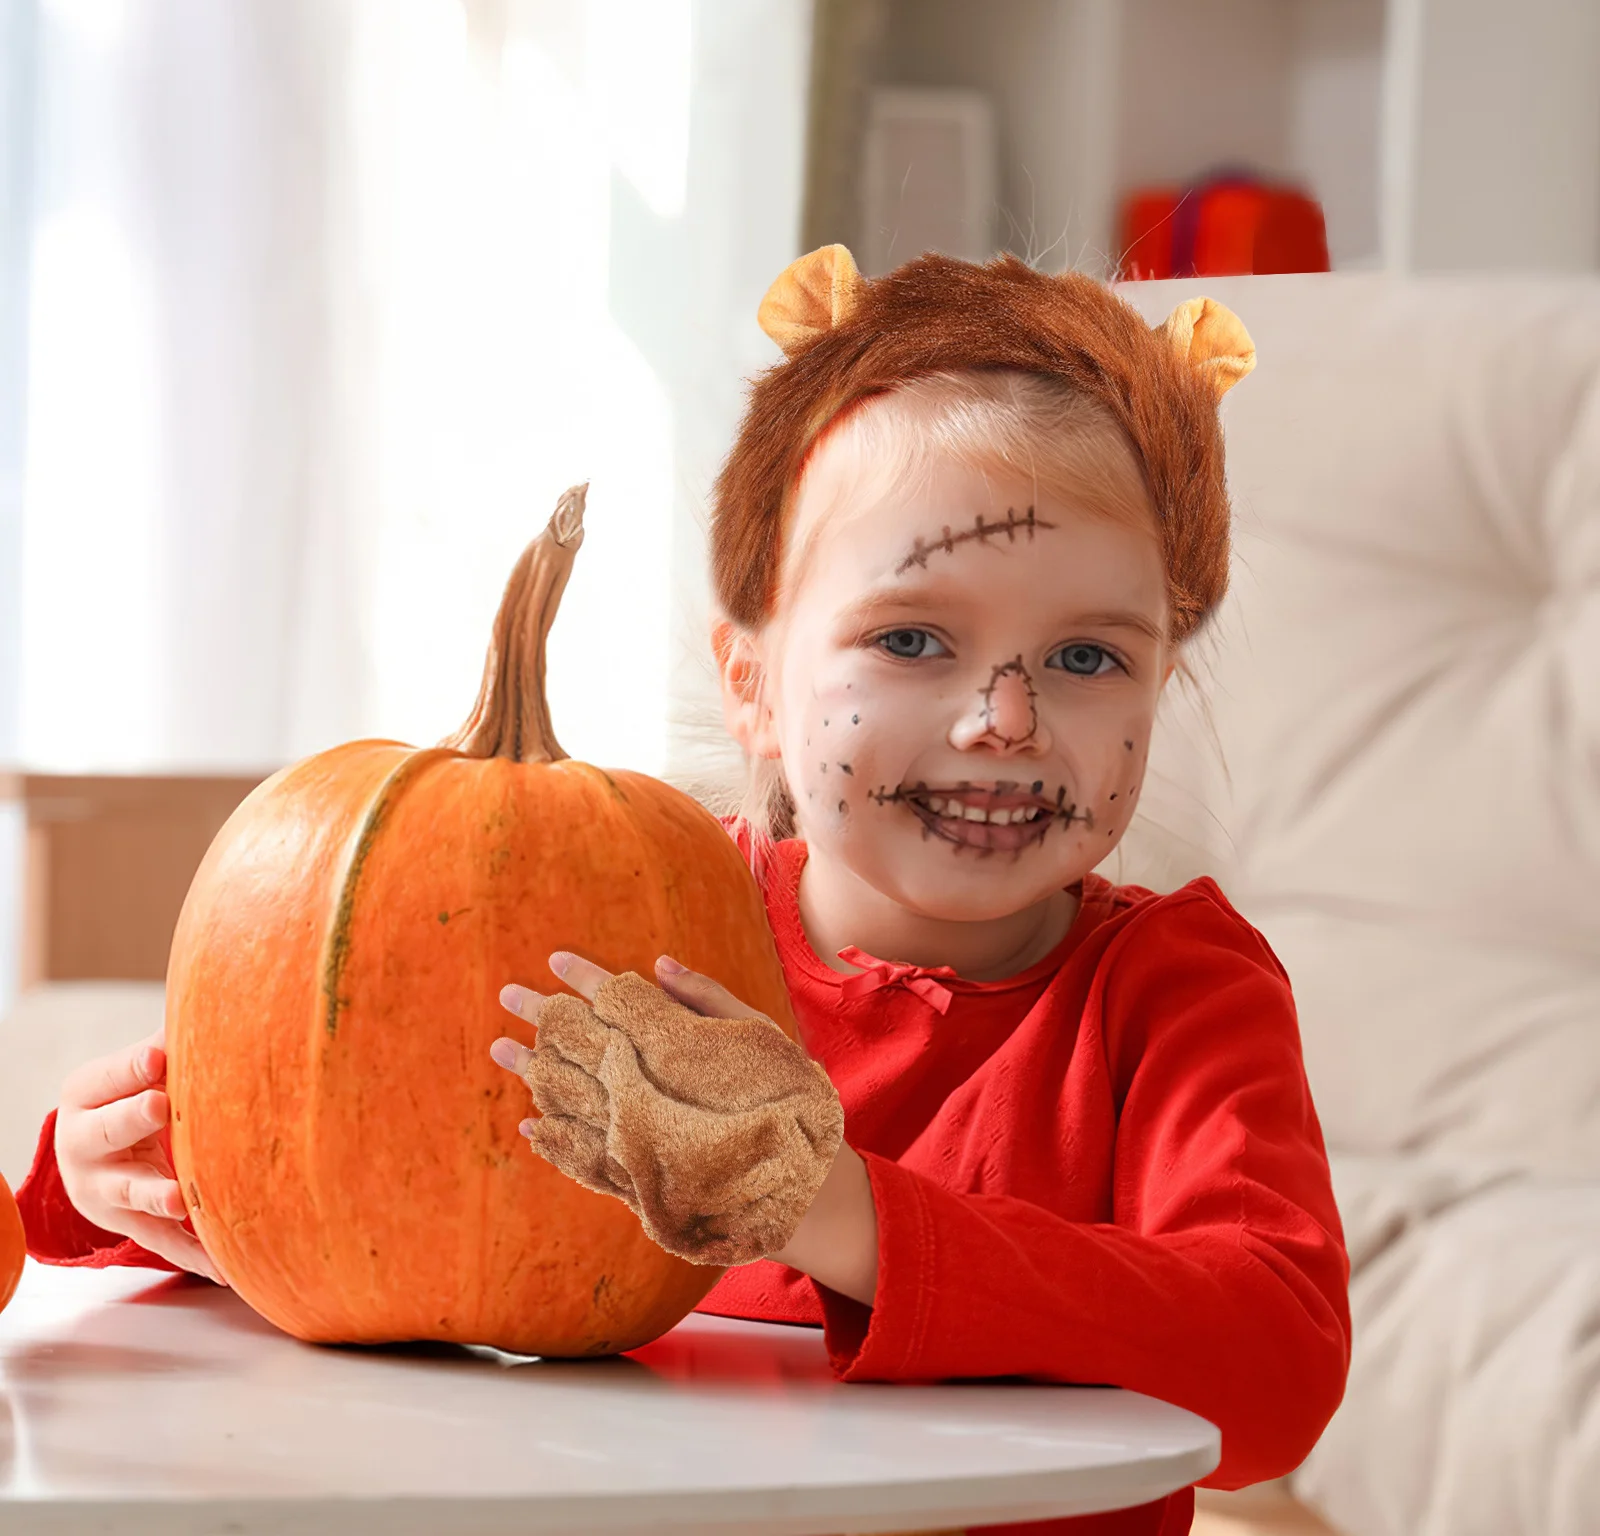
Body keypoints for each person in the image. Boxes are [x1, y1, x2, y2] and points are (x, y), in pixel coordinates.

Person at [17, 247, 1350, 1536]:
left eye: (1085, 656)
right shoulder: (606, 913)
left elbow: (1275, 1367)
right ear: (754, 683)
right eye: (912, 639)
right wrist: (101, 1181)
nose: (1004, 716)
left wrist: (838, 1211)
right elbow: (370, 1194)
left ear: (1161, 689)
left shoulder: (1175, 994)